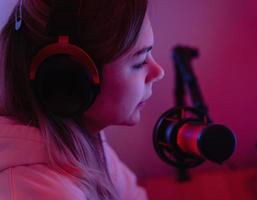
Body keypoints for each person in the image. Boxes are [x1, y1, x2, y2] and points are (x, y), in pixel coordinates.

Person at [0, 0, 164, 199]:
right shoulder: (41, 191)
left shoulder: (80, 138)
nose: (158, 72)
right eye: (139, 62)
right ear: (70, 78)